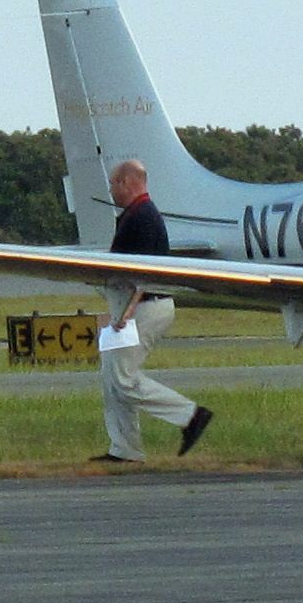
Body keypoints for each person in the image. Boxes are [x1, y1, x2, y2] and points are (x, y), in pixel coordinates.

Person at [89, 159, 213, 462]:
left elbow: (147, 271)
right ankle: (124, 449)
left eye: (113, 184)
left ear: (126, 183)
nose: (110, 190)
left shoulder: (143, 216)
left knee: (123, 379)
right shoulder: (134, 214)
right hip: (133, 308)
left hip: (146, 307)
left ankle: (191, 415)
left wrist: (127, 312)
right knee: (111, 377)